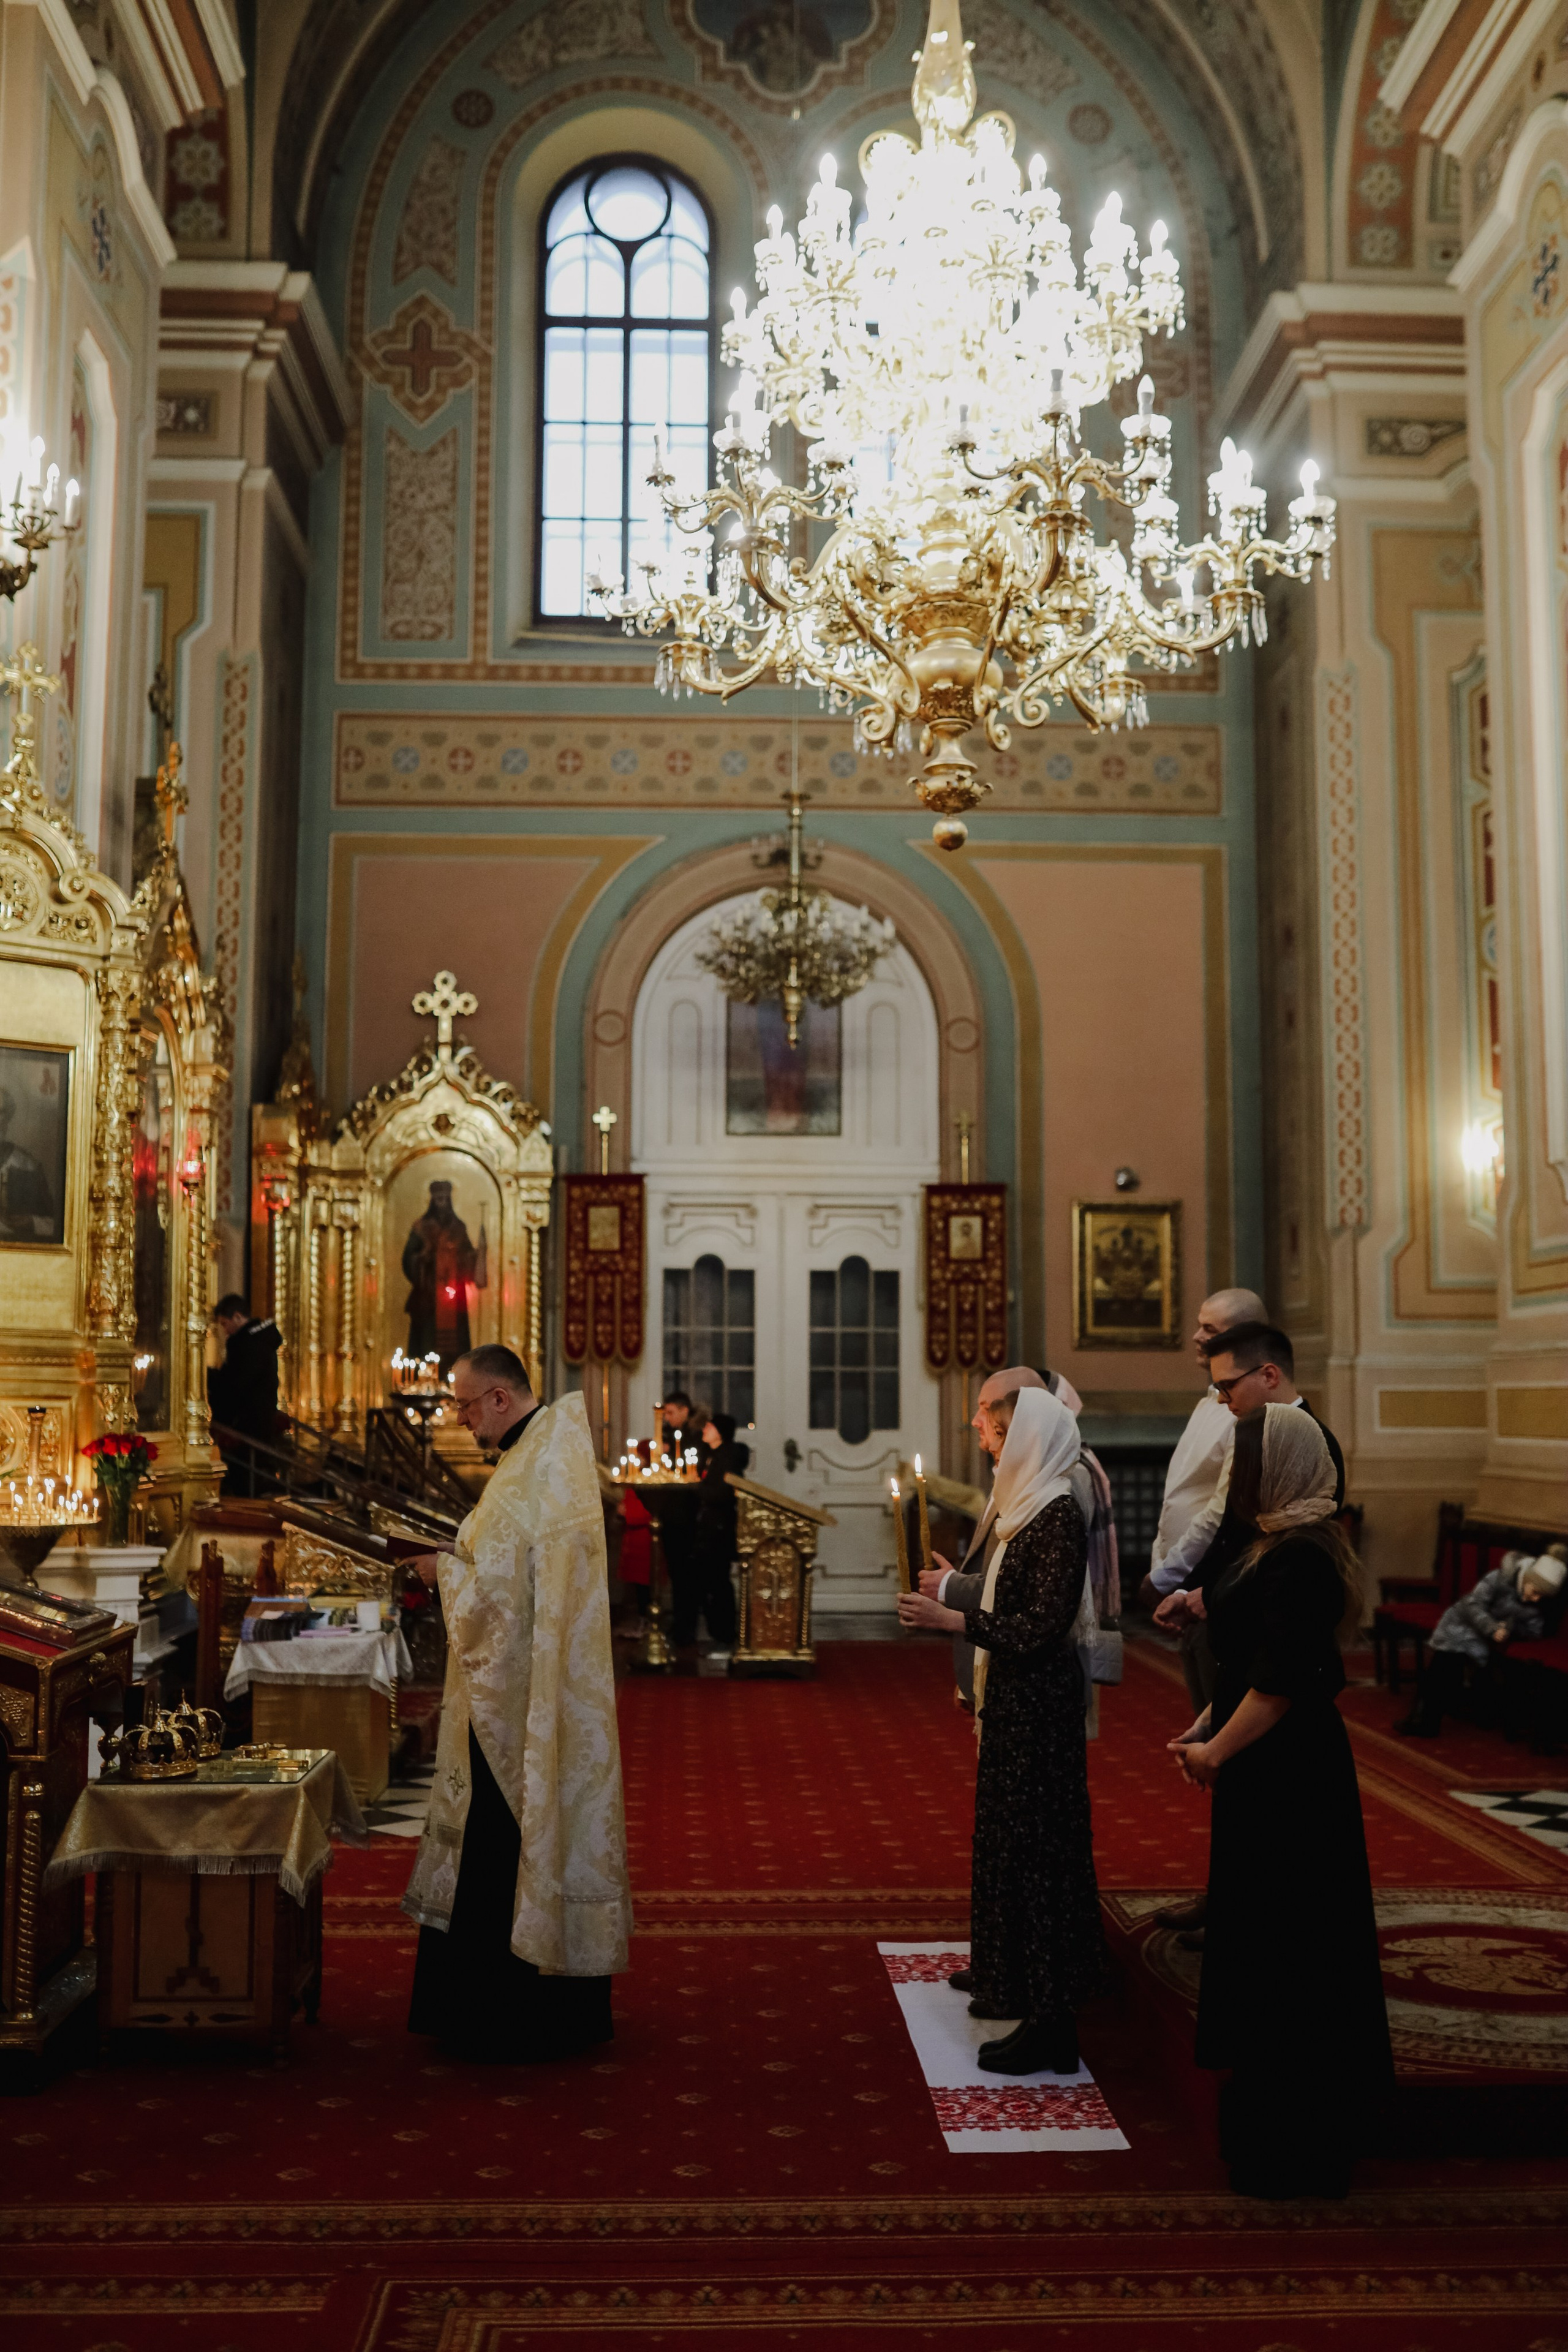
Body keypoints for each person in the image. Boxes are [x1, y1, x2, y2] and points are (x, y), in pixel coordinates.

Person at [1167, 1403, 1389, 2198]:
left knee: (1293, 1949)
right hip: (1265, 1761)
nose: (1239, 1472)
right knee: (1266, 1938)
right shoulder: (1274, 1541)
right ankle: (1267, 2134)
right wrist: (1207, 1722)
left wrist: (1215, 1753)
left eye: (1252, 1457)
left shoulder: (1301, 1558)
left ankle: (1299, 2145)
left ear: (1287, 1467)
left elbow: (1285, 1682)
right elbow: (1250, 1665)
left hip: (1289, 1773)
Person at [404, 1345, 632, 2062]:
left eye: (466, 1407)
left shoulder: (529, 1470)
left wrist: (438, 1569)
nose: (463, 1422)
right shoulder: (542, 1459)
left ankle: (501, 2013)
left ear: (501, 1399)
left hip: (516, 1698)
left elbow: (493, 1601)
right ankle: (542, 2005)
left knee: (501, 1837)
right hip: (530, 1684)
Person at [900, 1387, 1109, 2077]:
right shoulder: (1025, 1510)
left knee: (1038, 1855)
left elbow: (1039, 1627)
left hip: (1039, 1710)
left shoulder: (1053, 1515)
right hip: (1015, 1704)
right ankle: (1019, 1988)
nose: (992, 1441)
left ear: (1031, 1442)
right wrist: (954, 1593)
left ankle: (1054, 2026)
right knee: (1010, 1846)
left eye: (1002, 1432)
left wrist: (951, 1620)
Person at [1140, 1288, 1267, 1713]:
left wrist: (1170, 1577)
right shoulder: (1210, 1402)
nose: (1196, 1336)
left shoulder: (1246, 1414)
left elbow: (1220, 1510)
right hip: (1184, 1585)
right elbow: (1180, 1499)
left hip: (1208, 1587)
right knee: (1204, 1719)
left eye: (1209, 1329)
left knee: (1222, 1719)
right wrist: (1164, 1571)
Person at [1395, 1546, 1567, 1737]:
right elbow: (1472, 1604)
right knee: (1446, 1660)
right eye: (1535, 1591)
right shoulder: (1499, 1578)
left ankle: (1441, 1714)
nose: (1535, 1599)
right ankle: (1425, 1719)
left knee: (1458, 1666)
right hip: (1464, 1624)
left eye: (1541, 1596)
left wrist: (1508, 1629)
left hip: (1490, 1639)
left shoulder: (1535, 1605)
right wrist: (1491, 1627)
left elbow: (1533, 1631)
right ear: (1528, 1578)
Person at [671, 1412, 748, 1653]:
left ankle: (724, 1634)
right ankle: (704, 1632)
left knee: (718, 1583)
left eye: (710, 1427)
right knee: (704, 1582)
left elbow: (722, 1493)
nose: (705, 1429)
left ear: (720, 1432)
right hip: (705, 1529)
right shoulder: (710, 1454)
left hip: (718, 1530)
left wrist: (694, 1487)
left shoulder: (728, 1457)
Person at [207, 1293, 283, 1494]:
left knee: (246, 1479)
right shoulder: (259, 1340)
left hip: (248, 1423)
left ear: (238, 1317)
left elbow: (236, 1385)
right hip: (260, 1417)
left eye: (225, 1324)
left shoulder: (248, 1344)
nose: (225, 1331)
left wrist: (210, 1378)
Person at [401, 1180, 481, 1371]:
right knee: (426, 1341)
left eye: (445, 1198)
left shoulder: (459, 1227)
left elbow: (468, 1256)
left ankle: (454, 1380)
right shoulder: (420, 1227)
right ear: (432, 1200)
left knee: (455, 1345)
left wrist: (470, 1257)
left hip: (453, 1300)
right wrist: (424, 1258)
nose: (442, 1202)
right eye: (438, 1198)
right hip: (428, 1298)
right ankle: (423, 1380)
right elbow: (408, 1259)